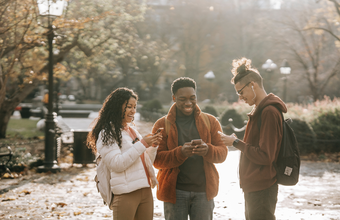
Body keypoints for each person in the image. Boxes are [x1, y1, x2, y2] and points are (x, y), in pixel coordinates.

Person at [219, 57, 287, 220]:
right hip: (255, 185)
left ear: (252, 85)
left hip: (262, 186)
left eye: (241, 92)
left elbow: (265, 155)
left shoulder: (268, 111)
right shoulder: (261, 110)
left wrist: (235, 142)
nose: (240, 97)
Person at [152, 77, 228, 220]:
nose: (188, 103)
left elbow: (223, 153)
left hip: (204, 192)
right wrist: (179, 153)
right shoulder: (162, 125)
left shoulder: (210, 121)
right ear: (174, 98)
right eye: (182, 99)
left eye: (192, 98)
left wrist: (208, 150)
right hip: (174, 192)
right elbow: (156, 160)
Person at [87, 87, 162, 220]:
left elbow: (144, 161)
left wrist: (153, 146)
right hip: (126, 193)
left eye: (135, 106)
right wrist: (143, 143)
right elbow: (117, 164)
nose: (133, 111)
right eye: (129, 106)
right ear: (117, 107)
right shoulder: (107, 133)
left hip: (145, 190)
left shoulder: (132, 131)